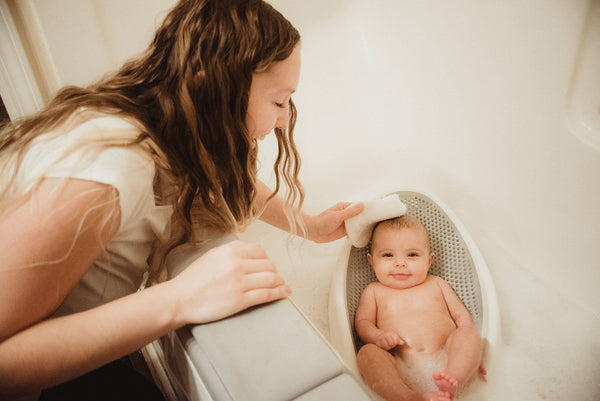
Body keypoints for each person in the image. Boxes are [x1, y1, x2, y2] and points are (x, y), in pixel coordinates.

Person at [0, 1, 364, 399]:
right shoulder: (110, 170)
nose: (283, 120)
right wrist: (180, 298)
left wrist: (308, 225)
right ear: (213, 87)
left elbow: (220, 178)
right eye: (279, 101)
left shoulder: (163, 125)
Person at [355, 216, 485, 401]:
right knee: (367, 353)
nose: (400, 263)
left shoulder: (437, 283)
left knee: (468, 335)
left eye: (412, 255)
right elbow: (363, 322)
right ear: (371, 260)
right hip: (399, 365)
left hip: (447, 357)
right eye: (388, 255)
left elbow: (462, 318)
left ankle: (454, 380)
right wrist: (377, 337)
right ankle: (406, 396)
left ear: (429, 260)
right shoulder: (374, 291)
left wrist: (472, 355)